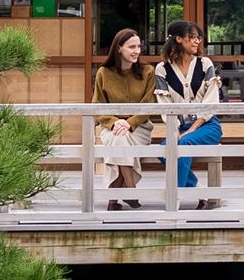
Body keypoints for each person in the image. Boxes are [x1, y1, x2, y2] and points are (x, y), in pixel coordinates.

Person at [155, 19, 223, 207]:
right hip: (177, 126)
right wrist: (175, 130)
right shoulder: (163, 69)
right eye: (192, 37)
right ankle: (198, 189)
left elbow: (211, 102)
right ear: (178, 39)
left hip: (207, 125)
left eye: (198, 38)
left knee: (181, 144)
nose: (197, 42)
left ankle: (174, 196)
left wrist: (191, 129)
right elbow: (164, 105)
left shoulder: (204, 64)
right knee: (163, 150)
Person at [91, 28, 155, 210]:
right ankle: (131, 188)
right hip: (111, 128)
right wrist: (114, 122)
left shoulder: (147, 72)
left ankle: (114, 200)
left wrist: (130, 122)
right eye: (131, 47)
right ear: (119, 48)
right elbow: (97, 106)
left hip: (140, 128)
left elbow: (149, 104)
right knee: (119, 138)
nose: (137, 51)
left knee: (119, 143)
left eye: (138, 46)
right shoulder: (104, 73)